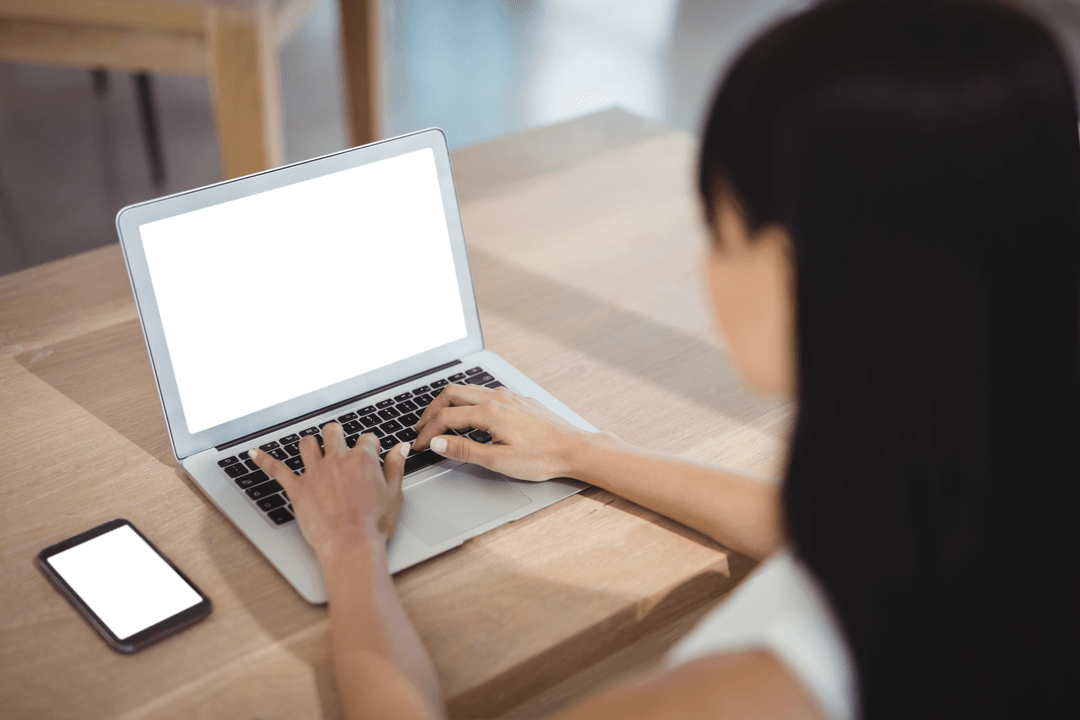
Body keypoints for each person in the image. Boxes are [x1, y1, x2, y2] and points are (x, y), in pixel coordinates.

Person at [247, 0, 1079, 717]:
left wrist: (351, 545)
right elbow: (824, 528)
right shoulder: (997, 492)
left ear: (795, 274)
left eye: (716, 227)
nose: (703, 265)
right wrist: (582, 451)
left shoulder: (754, 692)